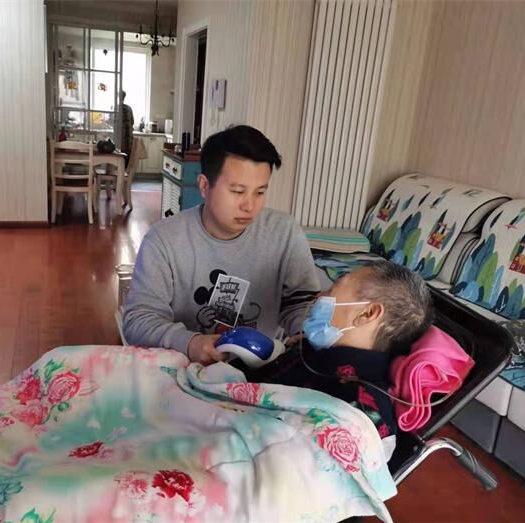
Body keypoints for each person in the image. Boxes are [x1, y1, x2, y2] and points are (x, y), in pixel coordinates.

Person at [123, 125, 321, 365]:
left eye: (260, 192)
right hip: (187, 366)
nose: (249, 206)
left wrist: (305, 331)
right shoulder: (163, 240)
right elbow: (138, 320)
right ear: (204, 186)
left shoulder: (284, 232)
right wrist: (190, 343)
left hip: (265, 368)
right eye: (237, 191)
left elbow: (300, 304)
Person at [245, 261, 433, 437]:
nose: (319, 296)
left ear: (367, 313)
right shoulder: (312, 352)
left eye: (332, 289)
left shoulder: (356, 412)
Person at [120, 91, 134, 165]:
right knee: (127, 156)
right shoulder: (129, 108)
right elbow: (132, 122)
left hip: (121, 138)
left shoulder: (115, 107)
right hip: (129, 137)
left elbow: (111, 122)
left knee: (118, 156)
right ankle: (125, 170)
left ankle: (120, 171)